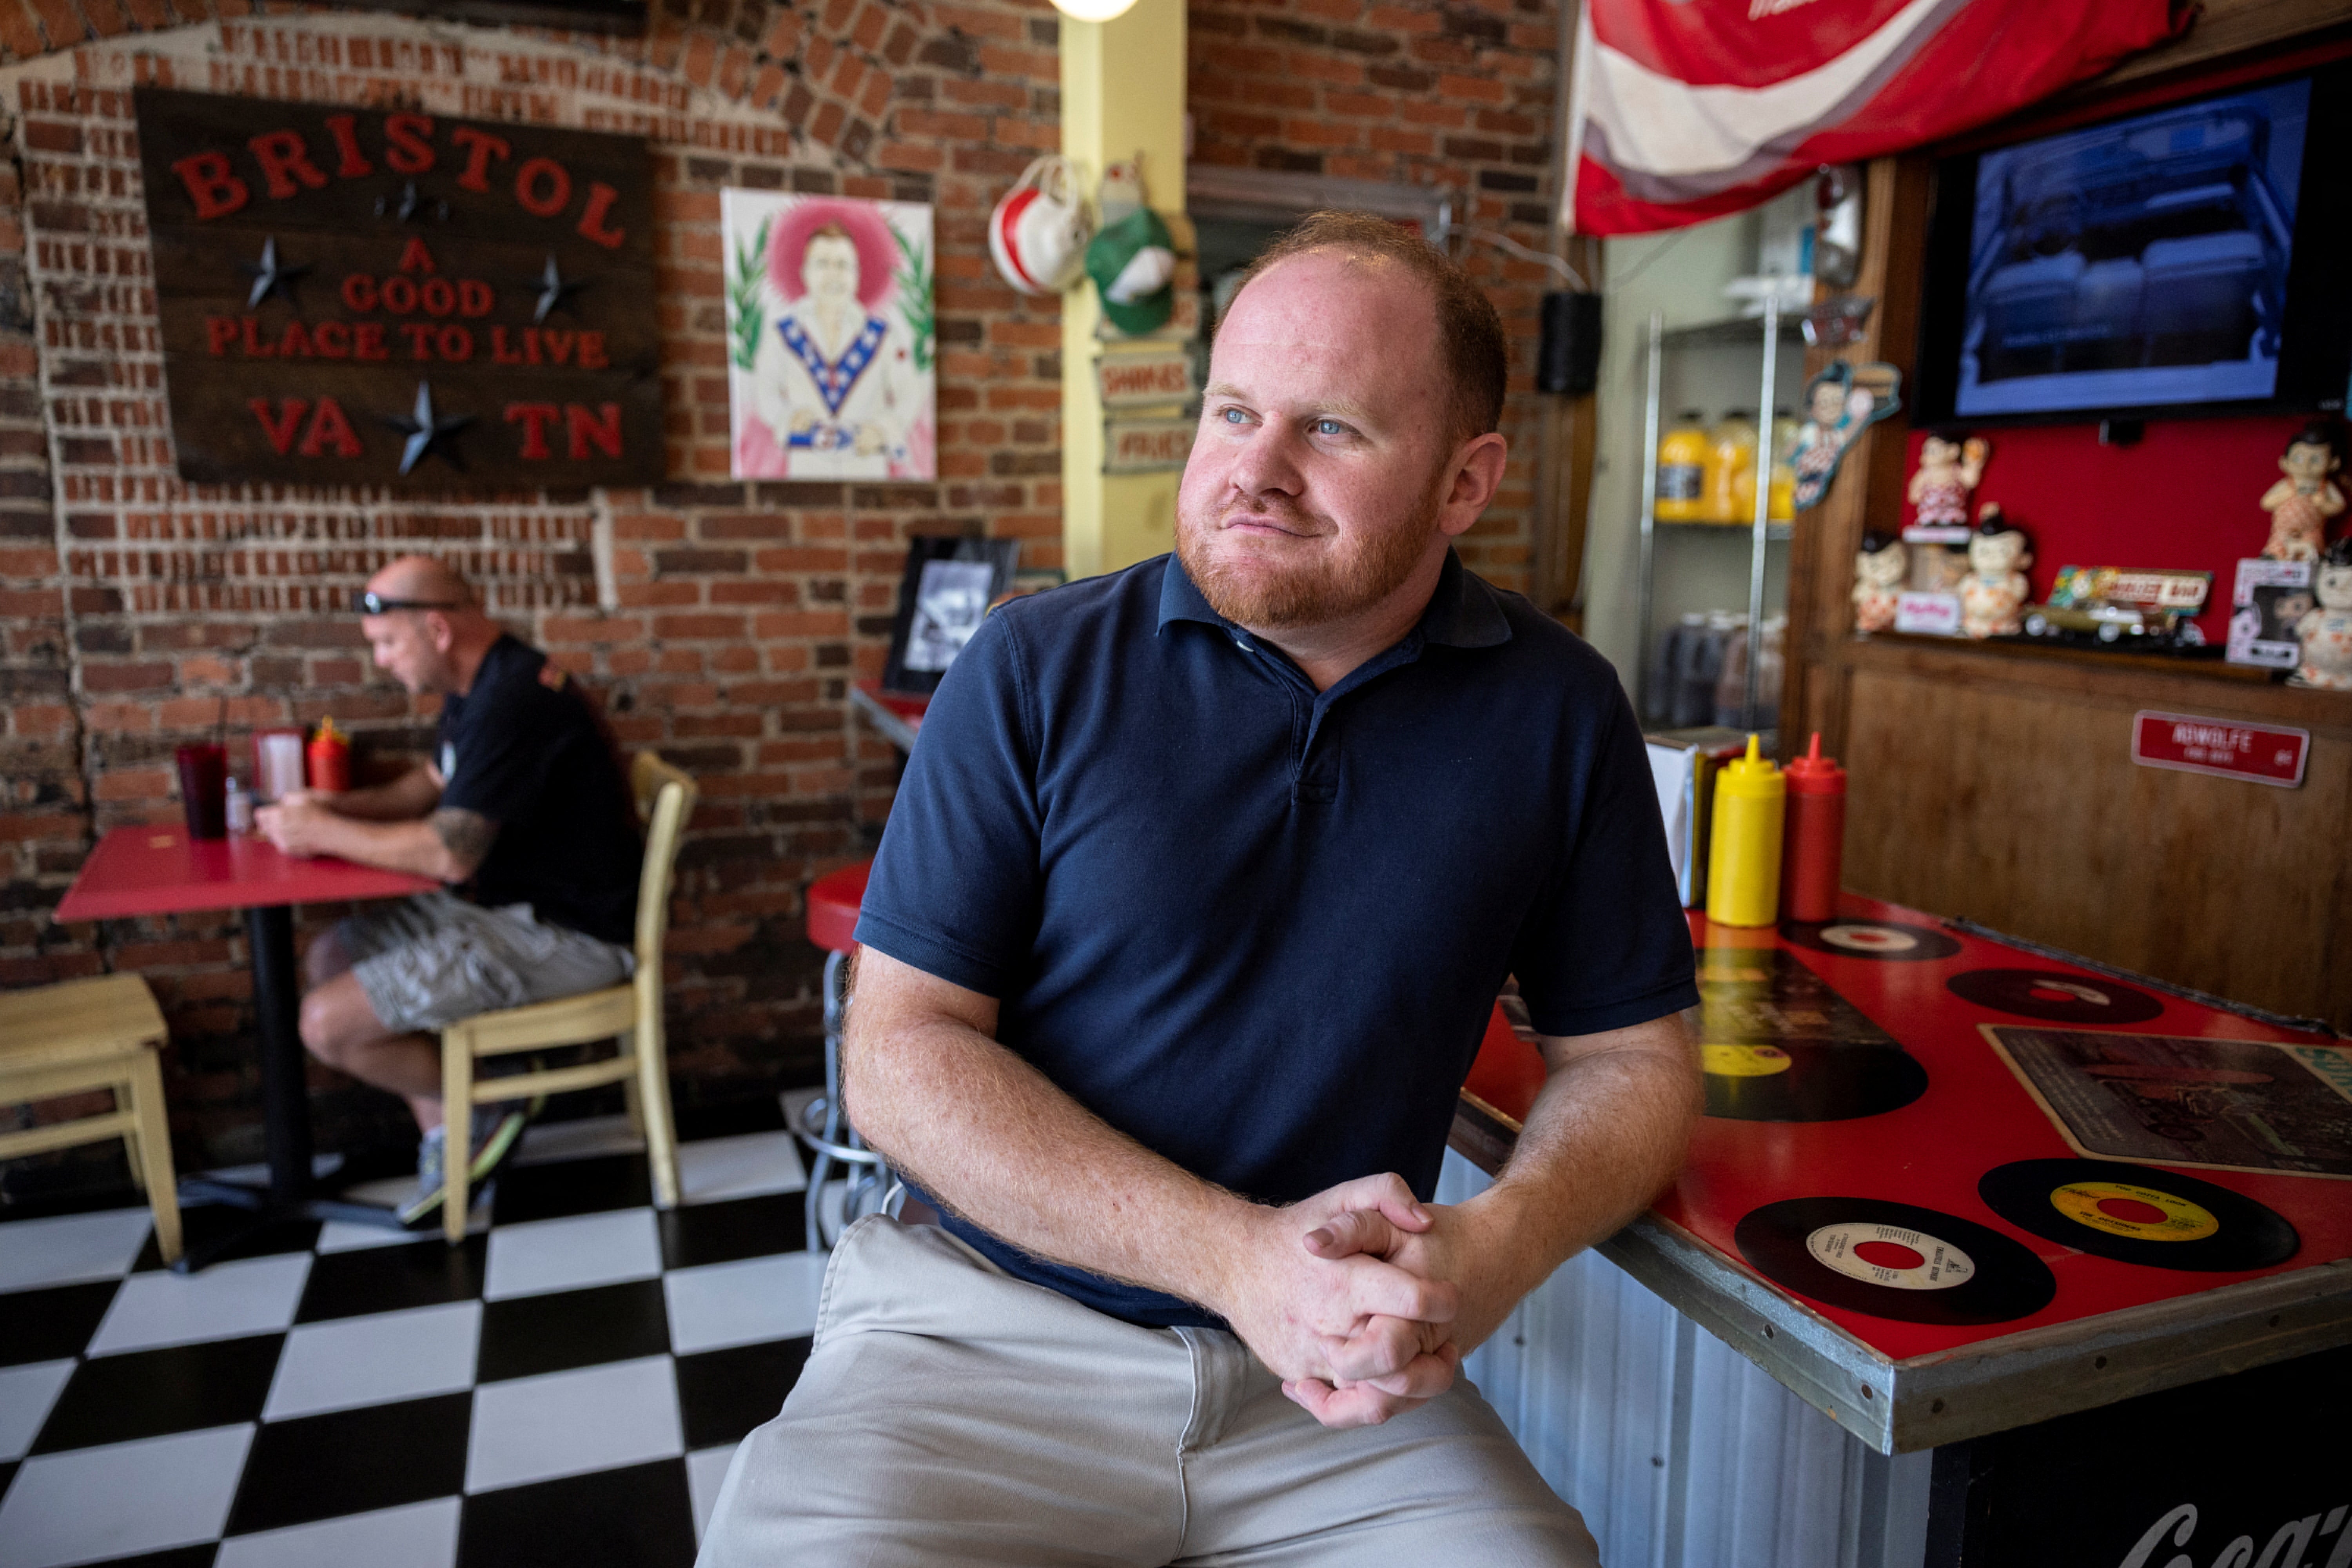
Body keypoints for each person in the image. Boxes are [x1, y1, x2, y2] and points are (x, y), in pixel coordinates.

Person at [701, 212, 1702, 1565]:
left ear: (1467, 484)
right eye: (1234, 412)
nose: (1257, 472)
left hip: (1335, 1401)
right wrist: (1238, 1259)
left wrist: (1499, 1245)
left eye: (1332, 430)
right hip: (982, 1338)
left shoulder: (1558, 710)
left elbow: (1635, 1058)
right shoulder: (1033, 667)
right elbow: (897, 1055)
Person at [254, 557, 643, 1224]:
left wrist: (318, 831)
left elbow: (449, 853)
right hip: (503, 912)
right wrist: (335, 809)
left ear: (435, 628)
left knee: (325, 1024)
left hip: (568, 935)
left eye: (386, 643)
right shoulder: (481, 685)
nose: (380, 661)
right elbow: (429, 788)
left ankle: (485, 1105)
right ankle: (451, 1129)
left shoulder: (514, 697)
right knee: (330, 958)